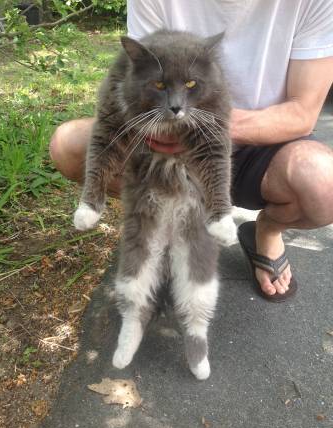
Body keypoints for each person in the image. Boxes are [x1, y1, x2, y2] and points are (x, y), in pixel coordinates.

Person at [49, 0, 333, 301]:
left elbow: (303, 111)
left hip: (262, 138)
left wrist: (217, 125)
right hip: (170, 135)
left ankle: (268, 229)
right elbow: (136, 81)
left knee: (324, 185)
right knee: (69, 144)